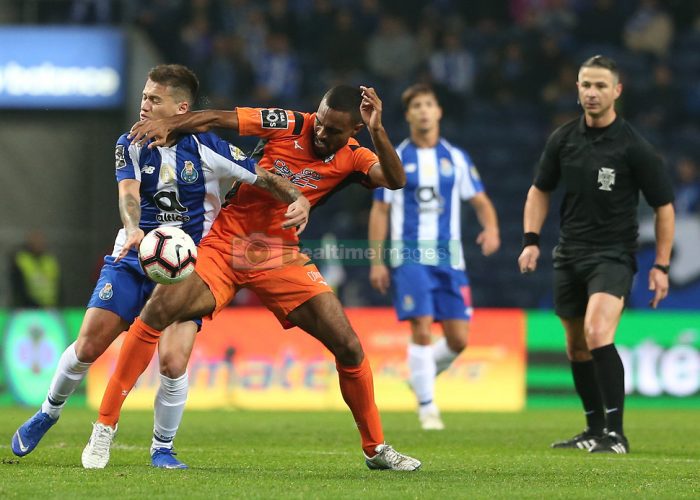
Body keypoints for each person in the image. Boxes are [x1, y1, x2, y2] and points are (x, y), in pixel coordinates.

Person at [82, 85, 421, 471]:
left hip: (281, 256)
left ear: (354, 132)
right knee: (156, 312)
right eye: (320, 123)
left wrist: (379, 130)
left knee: (349, 347)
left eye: (332, 131)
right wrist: (171, 124)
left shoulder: (356, 157)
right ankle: (104, 427)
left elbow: (395, 180)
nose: (321, 133)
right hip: (227, 244)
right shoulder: (289, 122)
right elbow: (215, 118)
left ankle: (375, 449)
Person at [11, 64, 309, 470]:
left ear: (181, 107)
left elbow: (264, 177)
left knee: (172, 362)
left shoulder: (209, 148)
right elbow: (129, 193)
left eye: (154, 99)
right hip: (134, 255)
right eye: (144, 97)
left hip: (186, 268)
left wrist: (298, 197)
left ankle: (162, 449)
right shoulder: (130, 142)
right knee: (88, 347)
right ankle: (48, 412)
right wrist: (133, 228)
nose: (144, 104)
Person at [518, 55, 675, 454]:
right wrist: (531, 239)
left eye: (601, 86)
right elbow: (539, 189)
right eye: (586, 84)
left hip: (613, 254)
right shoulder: (563, 139)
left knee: (598, 333)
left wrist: (661, 265)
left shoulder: (634, 147)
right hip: (569, 252)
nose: (592, 92)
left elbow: (664, 206)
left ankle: (616, 434)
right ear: (577, 89)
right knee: (576, 347)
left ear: (617, 92)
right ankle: (592, 430)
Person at [368, 84, 500, 430]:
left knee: (458, 340)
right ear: (409, 115)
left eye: (429, 105)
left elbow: (481, 200)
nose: (424, 111)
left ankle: (420, 377)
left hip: (449, 258)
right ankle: (427, 407)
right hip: (409, 255)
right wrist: (377, 260)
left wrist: (491, 228)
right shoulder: (395, 157)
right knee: (422, 327)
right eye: (417, 106)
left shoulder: (456, 157)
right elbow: (380, 212)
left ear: (438, 111)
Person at [10, 230, 61, 308]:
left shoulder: (50, 260)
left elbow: (58, 284)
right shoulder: (22, 260)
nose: (38, 244)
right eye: (35, 241)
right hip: (28, 308)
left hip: (50, 307)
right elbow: (18, 287)